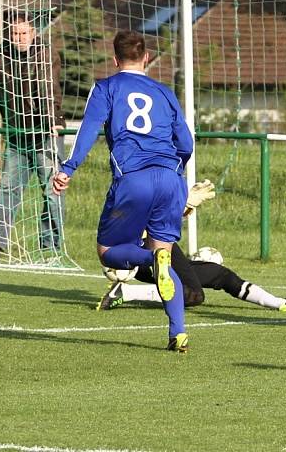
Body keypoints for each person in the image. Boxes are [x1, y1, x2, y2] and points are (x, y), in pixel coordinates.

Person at [52, 30, 194, 353]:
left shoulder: (106, 88)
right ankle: (178, 332)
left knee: (107, 250)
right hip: (171, 179)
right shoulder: (165, 92)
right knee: (166, 253)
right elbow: (186, 143)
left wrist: (68, 168)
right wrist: (177, 171)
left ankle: (150, 258)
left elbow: (88, 130)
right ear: (146, 58)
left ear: (115, 60)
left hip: (134, 178)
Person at [97, 180, 286, 313]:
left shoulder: (153, 168)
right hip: (143, 250)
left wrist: (183, 202)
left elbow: (157, 214)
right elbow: (140, 213)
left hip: (156, 245)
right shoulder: (137, 173)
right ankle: (126, 291)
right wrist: (183, 202)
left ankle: (280, 303)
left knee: (220, 275)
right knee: (194, 295)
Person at [0, 11, 66, 255]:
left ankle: (50, 246)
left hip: (44, 134)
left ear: (33, 32)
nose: (19, 38)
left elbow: (48, 87)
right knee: (8, 188)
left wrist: (54, 119)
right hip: (17, 135)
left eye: (23, 33)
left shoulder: (46, 54)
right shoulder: (1, 55)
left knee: (52, 192)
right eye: (14, 33)